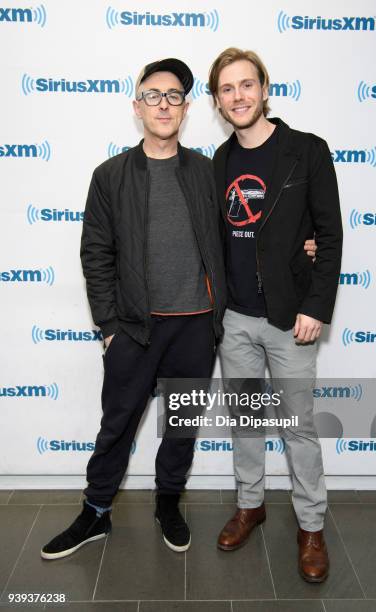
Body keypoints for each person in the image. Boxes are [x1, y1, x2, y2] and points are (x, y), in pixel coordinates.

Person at [40, 58, 227, 559]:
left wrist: (304, 249)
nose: (163, 104)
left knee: (181, 427)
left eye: (173, 96)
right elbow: (96, 253)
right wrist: (108, 326)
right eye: (153, 95)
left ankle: (168, 502)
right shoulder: (110, 175)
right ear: (136, 106)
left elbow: (241, 237)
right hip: (133, 329)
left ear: (186, 109)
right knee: (117, 424)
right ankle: (95, 512)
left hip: (194, 327)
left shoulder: (208, 173)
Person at [208, 48, 342, 582]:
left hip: (290, 318)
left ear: (265, 89)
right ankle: (251, 504)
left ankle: (311, 526)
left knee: (298, 428)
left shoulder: (307, 151)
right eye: (227, 89)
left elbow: (328, 236)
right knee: (244, 422)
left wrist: (316, 305)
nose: (238, 96)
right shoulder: (216, 162)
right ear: (218, 101)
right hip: (234, 319)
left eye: (246, 85)